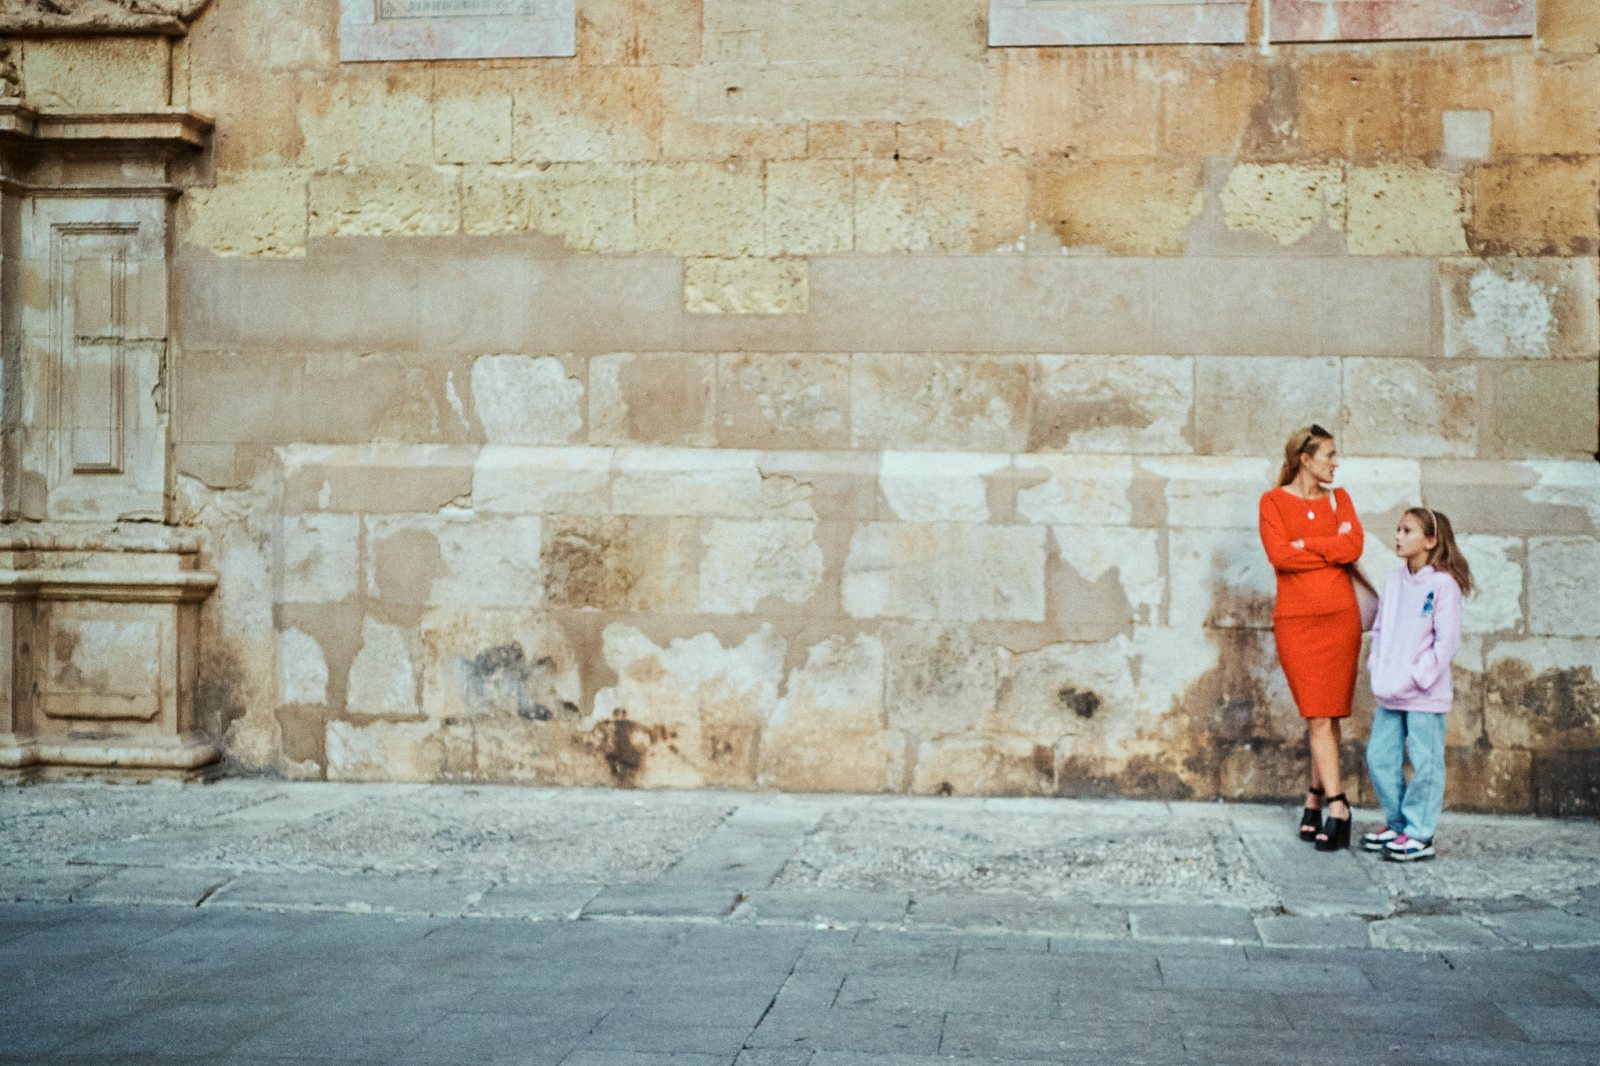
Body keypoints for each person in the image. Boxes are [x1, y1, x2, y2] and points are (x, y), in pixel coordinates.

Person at [1259, 425, 1364, 851]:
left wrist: (1307, 543)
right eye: (1329, 455)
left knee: (1328, 715)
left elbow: (1353, 547)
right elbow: (1279, 555)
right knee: (1317, 715)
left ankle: (1319, 799)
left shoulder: (1341, 499)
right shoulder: (1272, 502)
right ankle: (1336, 803)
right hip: (1297, 622)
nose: (1336, 464)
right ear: (1305, 458)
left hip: (1340, 619)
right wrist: (1327, 548)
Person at [1361, 508, 1472, 863]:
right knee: (1379, 757)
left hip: (1424, 693)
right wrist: (1378, 667)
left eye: (1407, 530)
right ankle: (1397, 823)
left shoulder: (1443, 585)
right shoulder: (1395, 581)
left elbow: (1446, 642)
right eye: (1397, 530)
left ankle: (1420, 832)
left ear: (1431, 540)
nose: (1398, 537)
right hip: (1390, 690)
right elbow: (1379, 629)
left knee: (1426, 762)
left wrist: (1418, 676)